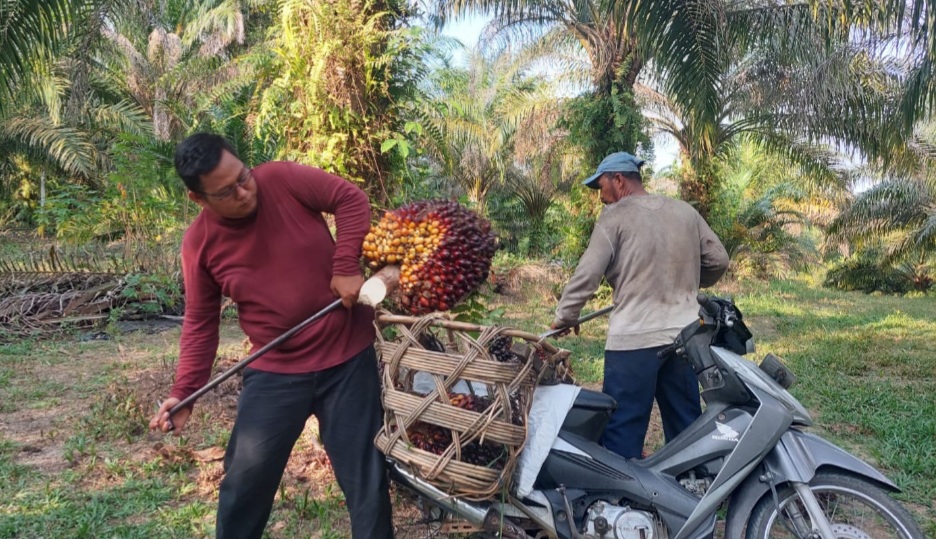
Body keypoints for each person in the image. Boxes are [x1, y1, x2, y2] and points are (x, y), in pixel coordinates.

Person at [149, 133, 393, 539]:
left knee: (367, 482)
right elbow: (200, 320)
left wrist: (345, 262)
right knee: (244, 482)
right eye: (227, 191)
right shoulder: (199, 245)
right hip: (276, 372)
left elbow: (351, 199)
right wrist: (186, 389)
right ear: (199, 199)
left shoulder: (280, 179)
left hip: (348, 361)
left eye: (243, 176)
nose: (244, 192)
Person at [550, 151, 729, 460]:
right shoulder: (685, 212)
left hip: (634, 341)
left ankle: (623, 503)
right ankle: (690, 493)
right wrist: (686, 285)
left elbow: (588, 273)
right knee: (686, 428)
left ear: (618, 180)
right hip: (685, 338)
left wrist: (565, 316)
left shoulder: (615, 217)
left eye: (601, 187)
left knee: (622, 431)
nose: (600, 197)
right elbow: (719, 260)